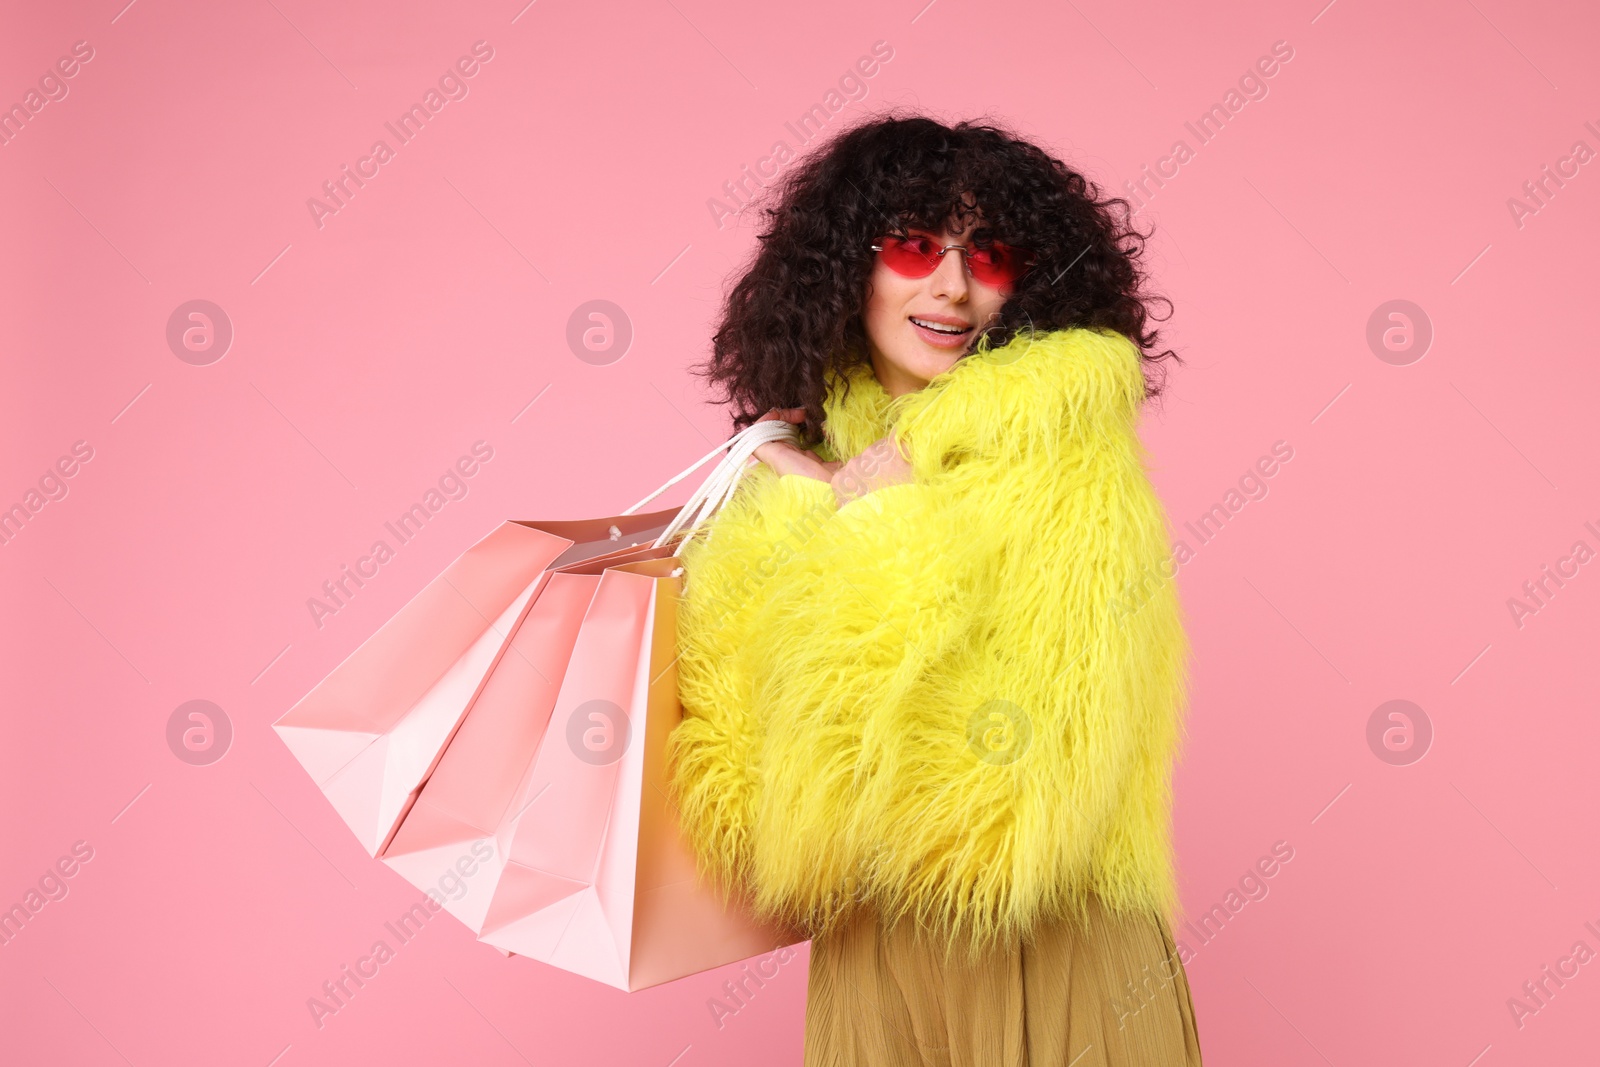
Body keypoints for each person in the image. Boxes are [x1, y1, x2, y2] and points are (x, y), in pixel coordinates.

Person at [665, 113, 1203, 1066]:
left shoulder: (1062, 451)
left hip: (1048, 946)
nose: (951, 285)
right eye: (915, 245)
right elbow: (751, 798)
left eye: (987, 255)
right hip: (872, 955)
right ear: (847, 269)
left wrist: (876, 516)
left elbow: (1026, 789)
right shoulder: (805, 477)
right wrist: (809, 511)